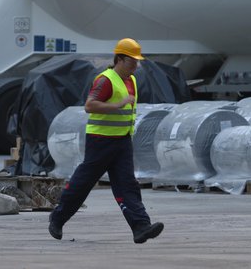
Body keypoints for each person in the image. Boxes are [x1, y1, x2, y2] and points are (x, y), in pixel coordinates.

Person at [48, 38, 164, 244]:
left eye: (137, 62)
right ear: (120, 59)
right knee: (82, 184)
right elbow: (90, 106)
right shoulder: (105, 80)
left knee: (128, 185)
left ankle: (141, 227)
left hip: (122, 142)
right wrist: (118, 104)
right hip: (100, 141)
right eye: (132, 61)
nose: (136, 66)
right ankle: (58, 218)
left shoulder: (131, 80)